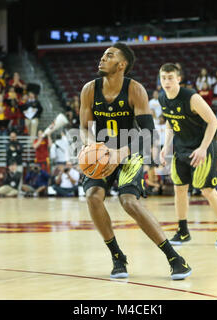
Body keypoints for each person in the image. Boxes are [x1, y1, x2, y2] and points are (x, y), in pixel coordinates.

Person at [79, 43, 191, 280]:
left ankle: (174, 257)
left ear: (121, 65)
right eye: (102, 55)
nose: (102, 58)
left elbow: (149, 134)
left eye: (109, 56)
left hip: (130, 152)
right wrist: (93, 146)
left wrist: (120, 153)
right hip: (101, 153)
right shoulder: (89, 89)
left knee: (128, 201)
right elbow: (84, 129)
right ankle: (117, 256)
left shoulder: (135, 90)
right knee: (93, 196)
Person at [158, 63, 217, 248]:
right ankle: (182, 231)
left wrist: (203, 148)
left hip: (202, 146)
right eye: (163, 78)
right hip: (181, 148)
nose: (166, 81)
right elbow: (170, 123)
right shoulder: (162, 98)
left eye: (170, 77)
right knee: (179, 188)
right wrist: (166, 146)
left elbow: (213, 122)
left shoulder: (191, 98)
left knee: (206, 189)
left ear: (178, 79)